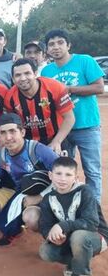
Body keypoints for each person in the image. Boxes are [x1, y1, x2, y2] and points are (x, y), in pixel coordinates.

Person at [0, 113, 59, 246]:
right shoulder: (1, 156)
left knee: (32, 219)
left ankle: (52, 239)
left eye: (12, 131)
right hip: (19, 192)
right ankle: (15, 227)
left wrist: (40, 197)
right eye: (3, 133)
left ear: (22, 132)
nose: (8, 137)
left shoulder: (39, 151)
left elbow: (63, 180)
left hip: (49, 194)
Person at [41, 29, 105, 203]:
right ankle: (68, 207)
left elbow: (99, 88)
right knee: (63, 171)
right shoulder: (46, 71)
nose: (56, 47)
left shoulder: (85, 61)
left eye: (60, 42)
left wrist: (69, 89)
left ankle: (93, 211)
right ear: (47, 49)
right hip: (62, 129)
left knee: (92, 170)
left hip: (87, 125)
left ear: (68, 45)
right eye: (51, 44)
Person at [39, 157, 108, 276]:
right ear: (50, 175)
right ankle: (74, 263)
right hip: (69, 238)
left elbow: (91, 223)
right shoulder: (48, 198)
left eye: (68, 174)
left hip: (96, 236)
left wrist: (63, 226)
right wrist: (52, 236)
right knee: (46, 251)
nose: (63, 179)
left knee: (79, 236)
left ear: (75, 178)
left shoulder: (85, 191)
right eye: (58, 174)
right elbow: (45, 226)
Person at [5, 58, 75, 154]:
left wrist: (56, 142)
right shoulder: (10, 97)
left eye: (27, 73)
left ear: (35, 73)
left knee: (63, 168)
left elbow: (69, 118)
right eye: (18, 75)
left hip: (57, 138)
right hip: (29, 143)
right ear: (13, 79)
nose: (23, 78)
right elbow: (14, 125)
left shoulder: (54, 87)